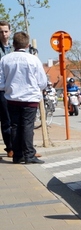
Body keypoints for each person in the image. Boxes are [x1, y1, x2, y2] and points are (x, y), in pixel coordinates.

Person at [0, 31, 48, 164]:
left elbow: (1, 82)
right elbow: (42, 81)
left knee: (14, 126)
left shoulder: (5, 59)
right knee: (27, 126)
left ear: (13, 44)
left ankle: (17, 155)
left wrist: (8, 88)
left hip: (12, 98)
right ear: (27, 45)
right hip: (30, 98)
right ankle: (29, 155)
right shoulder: (33, 59)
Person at [0, 20, 13, 159]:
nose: (4, 34)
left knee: (13, 120)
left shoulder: (14, 48)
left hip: (12, 89)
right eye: (1, 32)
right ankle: (10, 148)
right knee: (6, 120)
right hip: (1, 89)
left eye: (5, 31)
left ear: (9, 32)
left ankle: (16, 147)